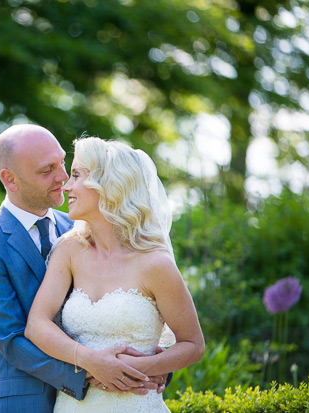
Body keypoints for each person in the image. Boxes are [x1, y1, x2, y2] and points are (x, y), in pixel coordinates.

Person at [0, 125, 165, 413]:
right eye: (47, 170)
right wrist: (89, 372)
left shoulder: (84, 225)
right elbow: (12, 339)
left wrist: (144, 363)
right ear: (10, 179)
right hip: (27, 401)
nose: (64, 177)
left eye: (62, 163)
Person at [25, 137, 205, 412]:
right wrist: (90, 361)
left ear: (109, 184)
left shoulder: (155, 264)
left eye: (77, 175)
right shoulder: (69, 250)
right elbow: (36, 324)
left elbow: (193, 344)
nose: (68, 185)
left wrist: (140, 368)